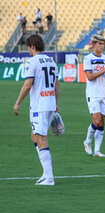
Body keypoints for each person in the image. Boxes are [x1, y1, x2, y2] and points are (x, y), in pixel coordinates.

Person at [13, 34, 60, 185]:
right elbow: (57, 86)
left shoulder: (32, 61)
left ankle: (50, 177)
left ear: (32, 46)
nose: (28, 50)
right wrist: (55, 103)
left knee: (41, 138)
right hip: (49, 104)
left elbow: (28, 85)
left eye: (28, 47)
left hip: (39, 106)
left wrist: (18, 103)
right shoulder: (51, 61)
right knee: (34, 136)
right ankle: (46, 174)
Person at [83, 34, 105, 158]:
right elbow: (90, 77)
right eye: (99, 44)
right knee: (96, 121)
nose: (102, 46)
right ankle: (87, 141)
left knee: (102, 123)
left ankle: (97, 150)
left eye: (103, 44)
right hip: (93, 94)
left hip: (104, 94)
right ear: (93, 45)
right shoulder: (88, 59)